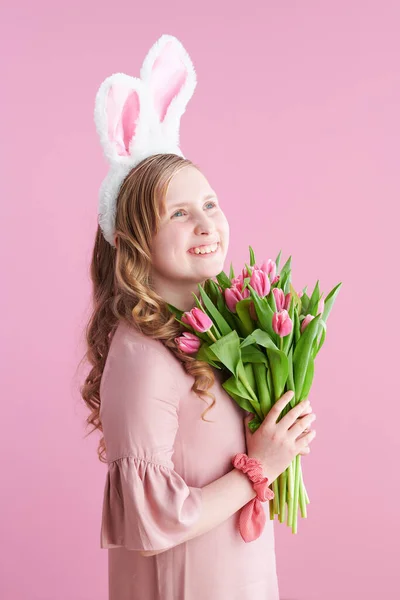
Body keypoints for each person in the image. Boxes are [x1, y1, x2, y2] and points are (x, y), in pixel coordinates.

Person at [80, 36, 317, 600]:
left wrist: (281, 436)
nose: (206, 224)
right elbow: (147, 524)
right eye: (179, 214)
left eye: (209, 204)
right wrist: (258, 470)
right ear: (131, 241)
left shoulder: (211, 333)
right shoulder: (141, 355)